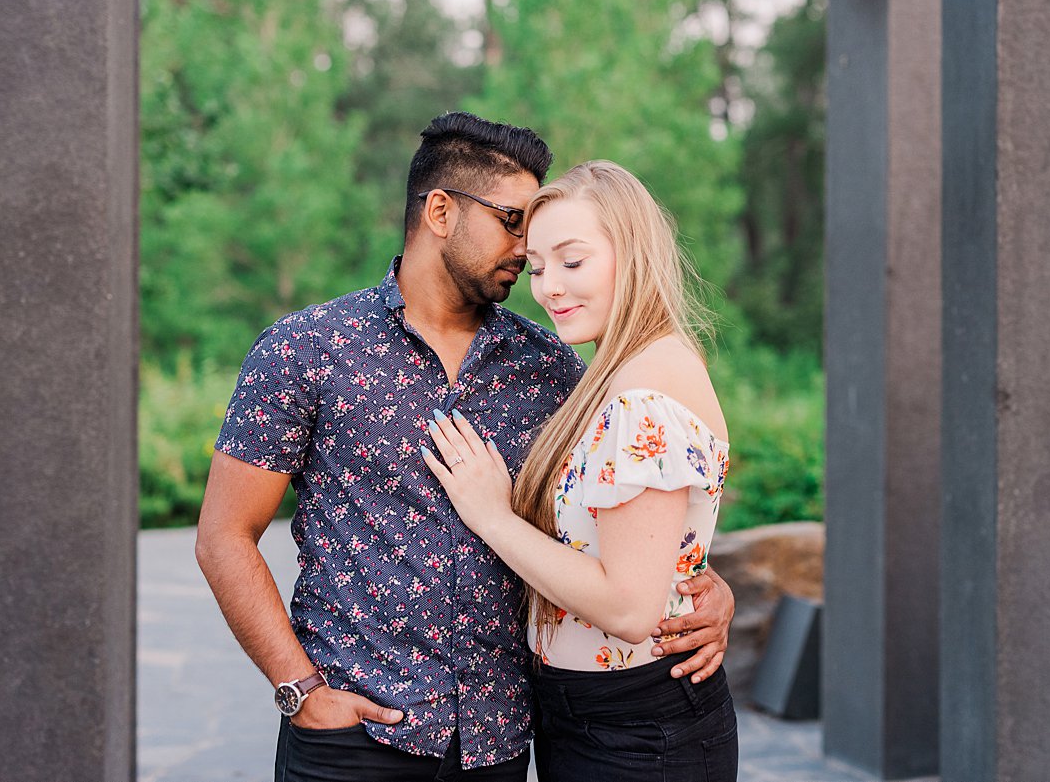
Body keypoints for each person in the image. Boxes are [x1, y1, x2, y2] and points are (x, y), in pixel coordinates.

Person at [197, 113, 736, 782]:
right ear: (441, 211)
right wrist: (298, 688)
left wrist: (704, 588)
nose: (526, 249)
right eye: (513, 223)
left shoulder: (552, 366)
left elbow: (630, 515)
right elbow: (223, 535)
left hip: (500, 740)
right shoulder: (306, 350)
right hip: (355, 737)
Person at [423, 160, 740, 781]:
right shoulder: (613, 374)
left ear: (634, 253)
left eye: (572, 261)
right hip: (590, 717)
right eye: (538, 268)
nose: (549, 289)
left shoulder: (643, 390)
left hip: (638, 731)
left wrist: (492, 517)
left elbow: (628, 609)